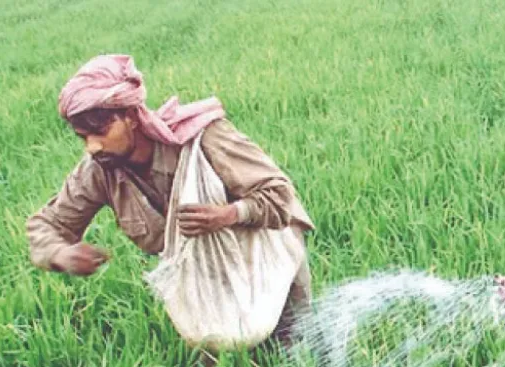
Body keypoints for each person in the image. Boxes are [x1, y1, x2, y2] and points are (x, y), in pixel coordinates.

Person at [25, 54, 313, 345]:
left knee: (294, 344)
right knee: (215, 354)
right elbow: (47, 225)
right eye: (82, 137)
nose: (92, 146)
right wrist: (62, 255)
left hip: (267, 253)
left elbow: (279, 197)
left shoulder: (203, 140)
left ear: (132, 117)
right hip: (205, 273)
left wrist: (229, 214)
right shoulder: (100, 168)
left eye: (101, 132)